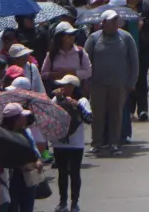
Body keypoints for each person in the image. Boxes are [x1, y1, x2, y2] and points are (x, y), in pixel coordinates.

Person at [84, 9, 138, 156]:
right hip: (98, 84)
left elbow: (134, 61)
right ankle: (97, 143)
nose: (115, 24)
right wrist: (86, 82)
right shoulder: (93, 38)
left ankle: (115, 142)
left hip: (119, 84)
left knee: (116, 114)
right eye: (112, 21)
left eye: (116, 20)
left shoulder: (126, 38)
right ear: (104, 23)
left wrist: (131, 82)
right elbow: (86, 61)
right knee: (98, 115)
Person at [51, 74, 91, 212]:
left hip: (76, 143)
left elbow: (89, 119)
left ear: (73, 87)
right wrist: (59, 101)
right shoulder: (55, 99)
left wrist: (77, 106)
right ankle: (62, 202)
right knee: (62, 173)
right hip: (59, 142)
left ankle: (75, 203)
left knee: (74, 173)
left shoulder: (83, 100)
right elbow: (49, 115)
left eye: (66, 85)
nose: (62, 88)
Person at [1, 102, 41, 212]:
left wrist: (38, 160)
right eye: (22, 116)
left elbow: (34, 149)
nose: (25, 118)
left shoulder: (27, 132)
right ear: (15, 119)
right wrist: (20, 166)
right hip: (11, 179)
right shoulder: (2, 135)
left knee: (28, 207)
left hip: (29, 177)